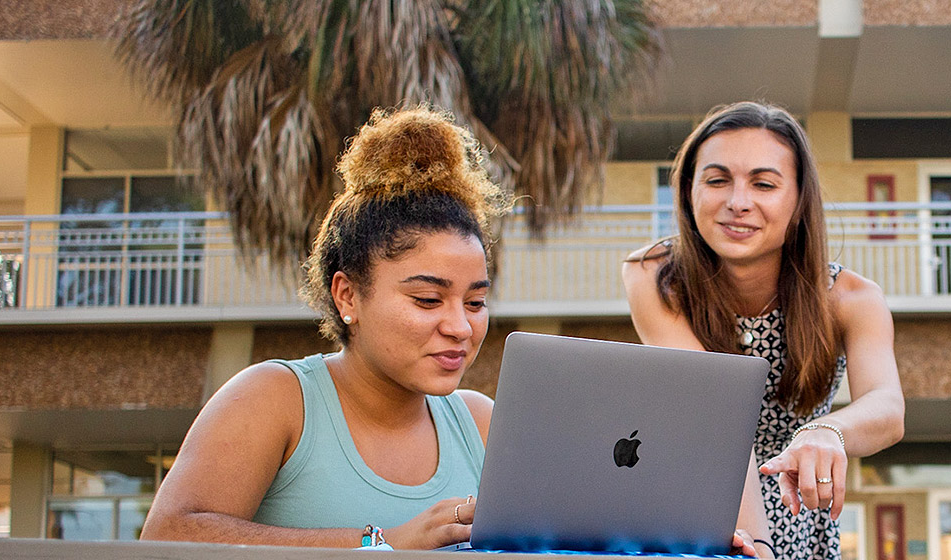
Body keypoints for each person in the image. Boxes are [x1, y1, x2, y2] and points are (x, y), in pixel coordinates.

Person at [140, 107, 775, 554]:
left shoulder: (477, 420)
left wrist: (686, 541)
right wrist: (380, 542)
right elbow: (168, 535)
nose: (458, 327)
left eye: (476, 302)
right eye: (426, 298)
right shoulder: (278, 399)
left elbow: (569, 533)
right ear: (347, 295)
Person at [623, 101, 906, 560]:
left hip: (798, 512)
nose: (738, 202)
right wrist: (757, 545)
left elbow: (888, 409)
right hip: (698, 506)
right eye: (717, 180)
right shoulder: (653, 275)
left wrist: (826, 431)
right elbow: (717, 416)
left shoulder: (853, 298)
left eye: (764, 184)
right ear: (688, 191)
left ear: (797, 200)